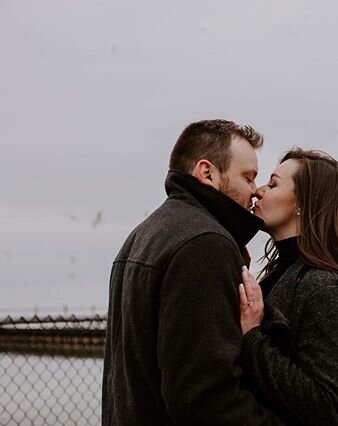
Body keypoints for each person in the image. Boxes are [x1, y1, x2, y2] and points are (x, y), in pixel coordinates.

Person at [102, 119, 284, 425]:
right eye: (248, 177)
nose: (255, 191)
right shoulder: (206, 244)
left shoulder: (142, 234)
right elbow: (206, 399)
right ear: (207, 172)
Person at [237, 148, 338, 425]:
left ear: (303, 203)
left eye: (273, 183)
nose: (259, 191)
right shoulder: (284, 274)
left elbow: (327, 407)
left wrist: (252, 336)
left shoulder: (325, 288)